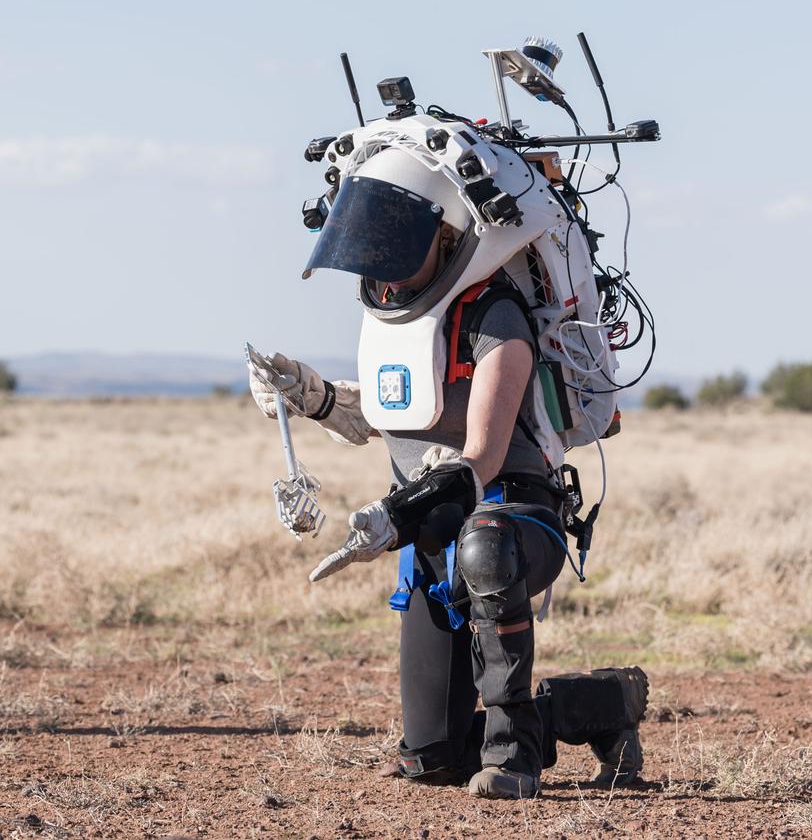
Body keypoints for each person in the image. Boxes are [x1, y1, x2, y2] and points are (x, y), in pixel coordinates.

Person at [249, 143, 647, 799]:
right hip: (430, 539)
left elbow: (481, 458)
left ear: (446, 231)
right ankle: (604, 703)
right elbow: (393, 409)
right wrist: (311, 396)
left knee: (485, 547)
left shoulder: (497, 314)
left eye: (399, 236)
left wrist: (394, 515)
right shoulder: (388, 310)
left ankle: (515, 751)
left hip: (511, 520)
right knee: (433, 757)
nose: (385, 262)